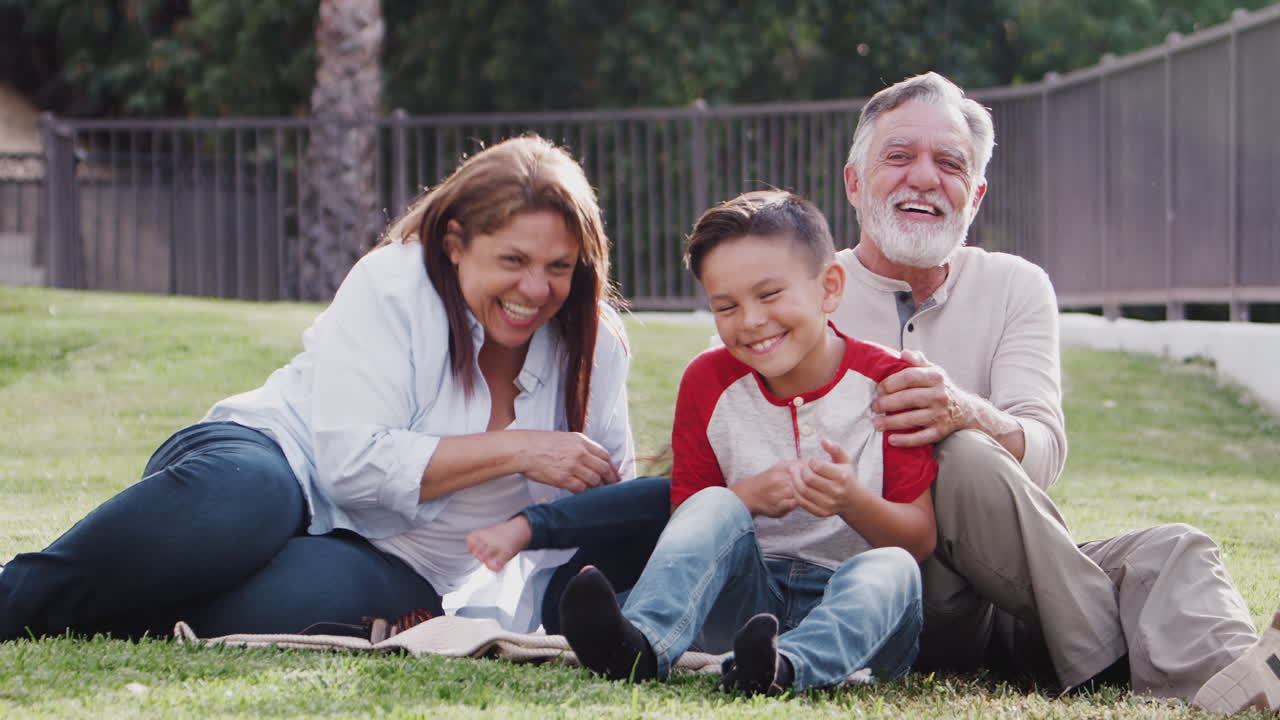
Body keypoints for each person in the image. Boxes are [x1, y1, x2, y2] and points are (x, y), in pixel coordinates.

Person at [0, 134, 649, 640]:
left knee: (341, 601)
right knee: (243, 505)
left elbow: (595, 509)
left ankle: (117, 613)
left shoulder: (595, 345)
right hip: (276, 461)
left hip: (394, 561)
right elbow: (351, 468)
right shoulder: (395, 285)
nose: (535, 290)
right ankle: (18, 597)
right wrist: (521, 450)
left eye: (558, 268)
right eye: (512, 260)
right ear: (455, 244)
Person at [830, 70, 1277, 713]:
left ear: (975, 194)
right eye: (899, 157)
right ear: (854, 182)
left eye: (949, 164)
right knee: (956, 457)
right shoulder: (805, 292)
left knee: (1175, 549)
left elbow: (1042, 452)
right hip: (884, 590)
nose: (925, 178)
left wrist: (963, 409)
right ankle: (1107, 657)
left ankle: (1238, 688)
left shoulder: (1017, 286)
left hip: (1014, 595)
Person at [557, 190, 937, 696]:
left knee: (891, 567)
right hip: (746, 603)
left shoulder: (890, 382)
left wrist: (852, 501)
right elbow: (692, 523)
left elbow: (919, 540)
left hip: (857, 612)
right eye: (726, 306)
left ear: (829, 287)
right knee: (713, 502)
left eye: (770, 294)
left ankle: (781, 669)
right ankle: (640, 644)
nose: (751, 321)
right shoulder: (707, 381)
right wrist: (747, 497)